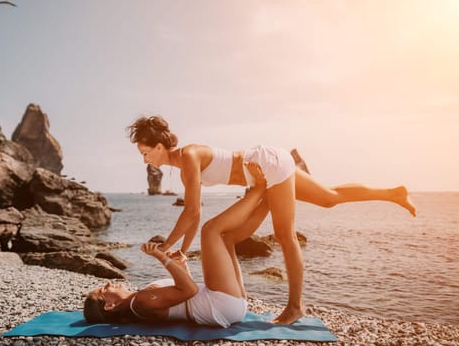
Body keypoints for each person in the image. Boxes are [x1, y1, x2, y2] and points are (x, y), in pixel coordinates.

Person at [125, 115, 416, 325]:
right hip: (267, 163)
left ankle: (295, 307)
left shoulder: (187, 156)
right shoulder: (185, 159)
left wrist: (166, 248)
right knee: (329, 197)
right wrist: (182, 250)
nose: (145, 159)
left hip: (266, 167)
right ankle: (393, 193)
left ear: (159, 146)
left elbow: (192, 212)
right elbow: (194, 213)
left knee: (285, 235)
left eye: (145, 152)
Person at [84, 163, 267, 327]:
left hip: (229, 305)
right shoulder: (140, 302)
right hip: (220, 305)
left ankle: (267, 201)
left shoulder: (138, 301)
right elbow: (191, 290)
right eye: (102, 290)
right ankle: (258, 190)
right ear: (109, 305)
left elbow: (187, 295)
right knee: (210, 230)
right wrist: (161, 257)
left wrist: (181, 265)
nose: (107, 283)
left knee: (228, 240)